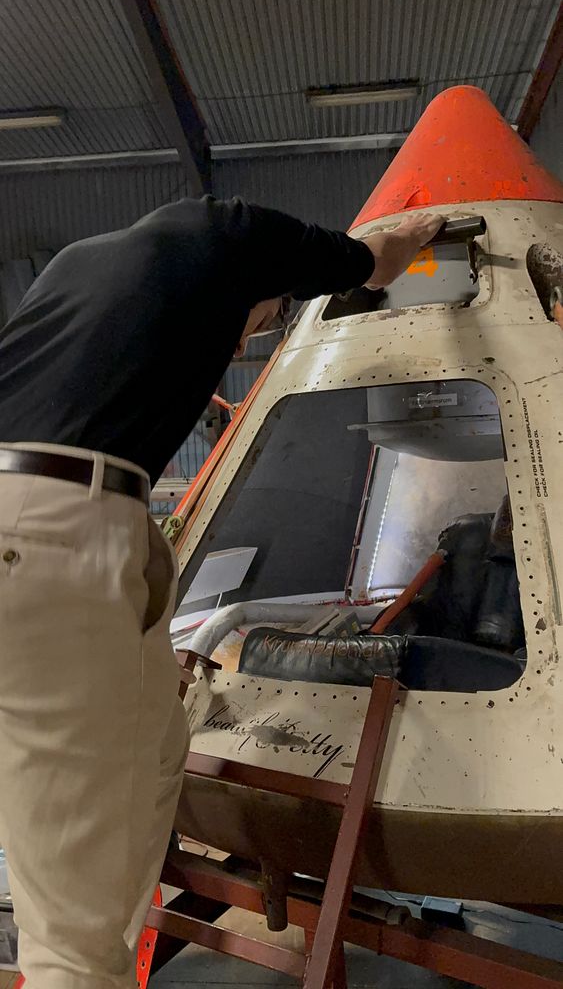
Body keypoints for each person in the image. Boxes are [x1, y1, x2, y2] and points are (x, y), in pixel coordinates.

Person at [0, 195, 444, 988]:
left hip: (55, 531)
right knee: (74, 886)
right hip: (49, 533)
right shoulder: (226, 234)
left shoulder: (76, 269)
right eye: (265, 320)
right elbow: (361, 259)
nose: (246, 340)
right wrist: (399, 243)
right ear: (262, 284)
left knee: (148, 752)